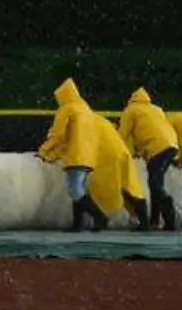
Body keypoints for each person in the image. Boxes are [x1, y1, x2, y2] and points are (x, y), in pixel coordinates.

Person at [40, 79, 147, 231]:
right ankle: (80, 224)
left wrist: (44, 153)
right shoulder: (87, 113)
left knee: (76, 190)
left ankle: (98, 217)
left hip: (83, 157)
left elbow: (60, 137)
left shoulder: (68, 109)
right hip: (101, 156)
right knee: (128, 188)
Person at [118, 88, 180, 231]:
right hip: (172, 145)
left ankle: (168, 217)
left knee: (155, 185)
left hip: (157, 148)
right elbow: (150, 130)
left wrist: (123, 153)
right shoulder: (156, 109)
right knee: (156, 184)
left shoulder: (131, 110)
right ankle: (155, 221)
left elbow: (122, 135)